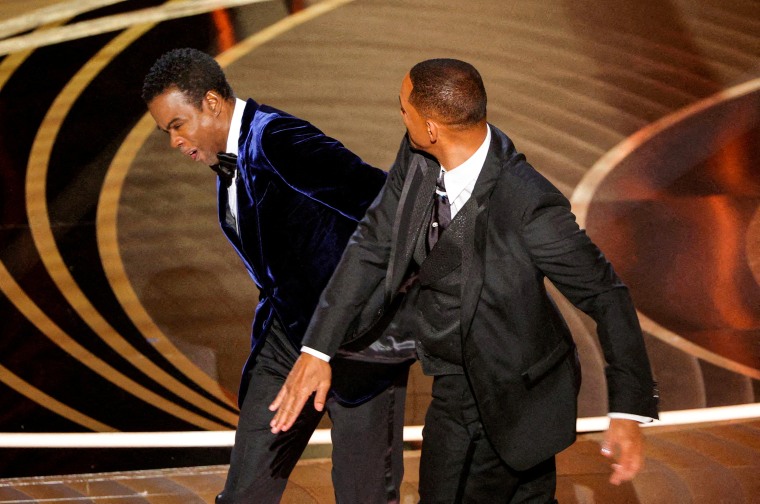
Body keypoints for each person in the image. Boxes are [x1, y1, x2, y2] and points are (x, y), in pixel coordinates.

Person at [269, 58, 660, 502]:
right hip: (455, 381)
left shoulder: (529, 206)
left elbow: (605, 295)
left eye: (404, 109)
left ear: (432, 127)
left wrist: (628, 411)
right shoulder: (417, 155)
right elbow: (373, 242)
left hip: (517, 389)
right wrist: (318, 348)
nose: (401, 116)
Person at [141, 47, 410, 504]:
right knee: (246, 492)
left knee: (365, 496)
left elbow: (383, 204)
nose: (173, 142)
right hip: (286, 338)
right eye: (165, 131)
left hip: (355, 342)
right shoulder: (229, 157)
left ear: (211, 103)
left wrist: (387, 299)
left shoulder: (277, 139)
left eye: (176, 125)